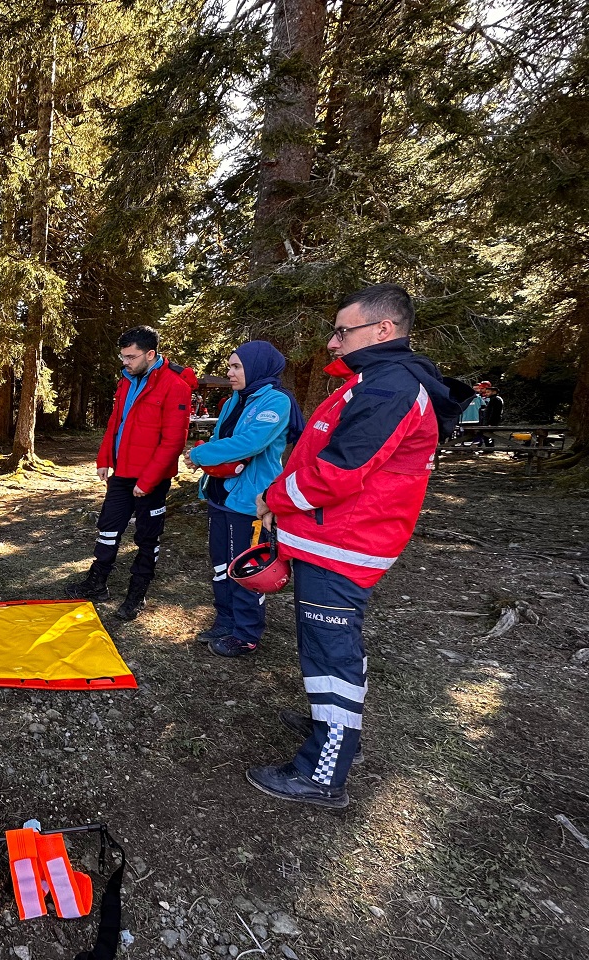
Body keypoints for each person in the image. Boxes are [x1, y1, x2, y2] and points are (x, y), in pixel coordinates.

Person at [250, 283, 469, 809]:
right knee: (323, 648)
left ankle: (323, 772)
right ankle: (332, 725)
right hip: (332, 537)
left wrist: (274, 498)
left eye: (343, 331)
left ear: (384, 329)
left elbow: (339, 470)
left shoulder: (389, 387)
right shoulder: (375, 380)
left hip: (345, 542)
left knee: (332, 653)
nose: (332, 342)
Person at [66, 326, 198, 621]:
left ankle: (136, 595)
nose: (125, 362)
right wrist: (104, 458)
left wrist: (148, 481)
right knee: (108, 527)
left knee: (147, 538)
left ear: (150, 354)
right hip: (122, 473)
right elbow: (116, 421)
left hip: (151, 480)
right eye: (122, 356)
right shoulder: (126, 381)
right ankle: (97, 582)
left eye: (131, 356)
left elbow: (173, 440)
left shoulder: (175, 386)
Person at [185, 341, 303, 657]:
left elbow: (247, 444)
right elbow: (220, 439)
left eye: (237, 367)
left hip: (250, 502)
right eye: (229, 366)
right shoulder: (234, 400)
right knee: (221, 564)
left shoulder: (276, 402)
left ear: (256, 368)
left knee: (246, 567)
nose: (230, 372)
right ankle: (225, 620)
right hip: (220, 495)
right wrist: (207, 457)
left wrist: (198, 454)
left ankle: (246, 633)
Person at [479, 383, 504, 447]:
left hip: (490, 422)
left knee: (488, 435)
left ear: (494, 392)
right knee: (487, 435)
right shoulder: (493, 399)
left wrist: (490, 422)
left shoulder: (495, 399)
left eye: (488, 392)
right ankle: (489, 447)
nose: (486, 393)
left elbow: (495, 412)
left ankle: (489, 448)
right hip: (488, 421)